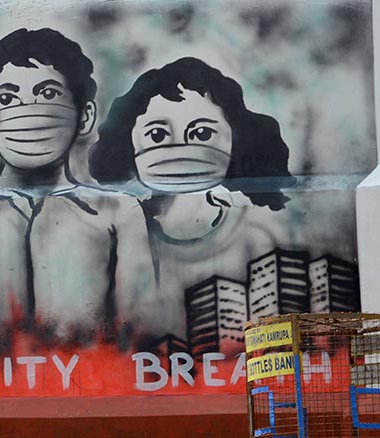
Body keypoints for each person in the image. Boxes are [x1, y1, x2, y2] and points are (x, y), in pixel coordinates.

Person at [0, 28, 161, 347]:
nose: (28, 112)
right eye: (7, 99)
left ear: (85, 116)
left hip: (94, 385)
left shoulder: (116, 211)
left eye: (48, 94)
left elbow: (138, 326)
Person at [89, 57, 295, 338]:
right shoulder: (118, 231)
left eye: (202, 133)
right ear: (130, 142)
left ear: (235, 139)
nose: (180, 149)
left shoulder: (253, 237)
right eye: (158, 134)